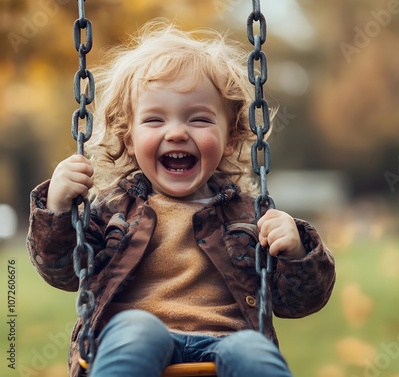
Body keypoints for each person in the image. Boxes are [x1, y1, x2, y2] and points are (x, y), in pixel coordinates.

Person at [27, 20, 335, 377]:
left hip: (225, 340)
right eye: (155, 120)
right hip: (137, 341)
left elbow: (298, 301)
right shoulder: (113, 211)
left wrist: (297, 253)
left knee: (253, 349)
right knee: (138, 329)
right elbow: (64, 271)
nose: (176, 132)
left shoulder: (250, 216)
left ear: (231, 138)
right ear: (128, 137)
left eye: (199, 119)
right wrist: (58, 208)